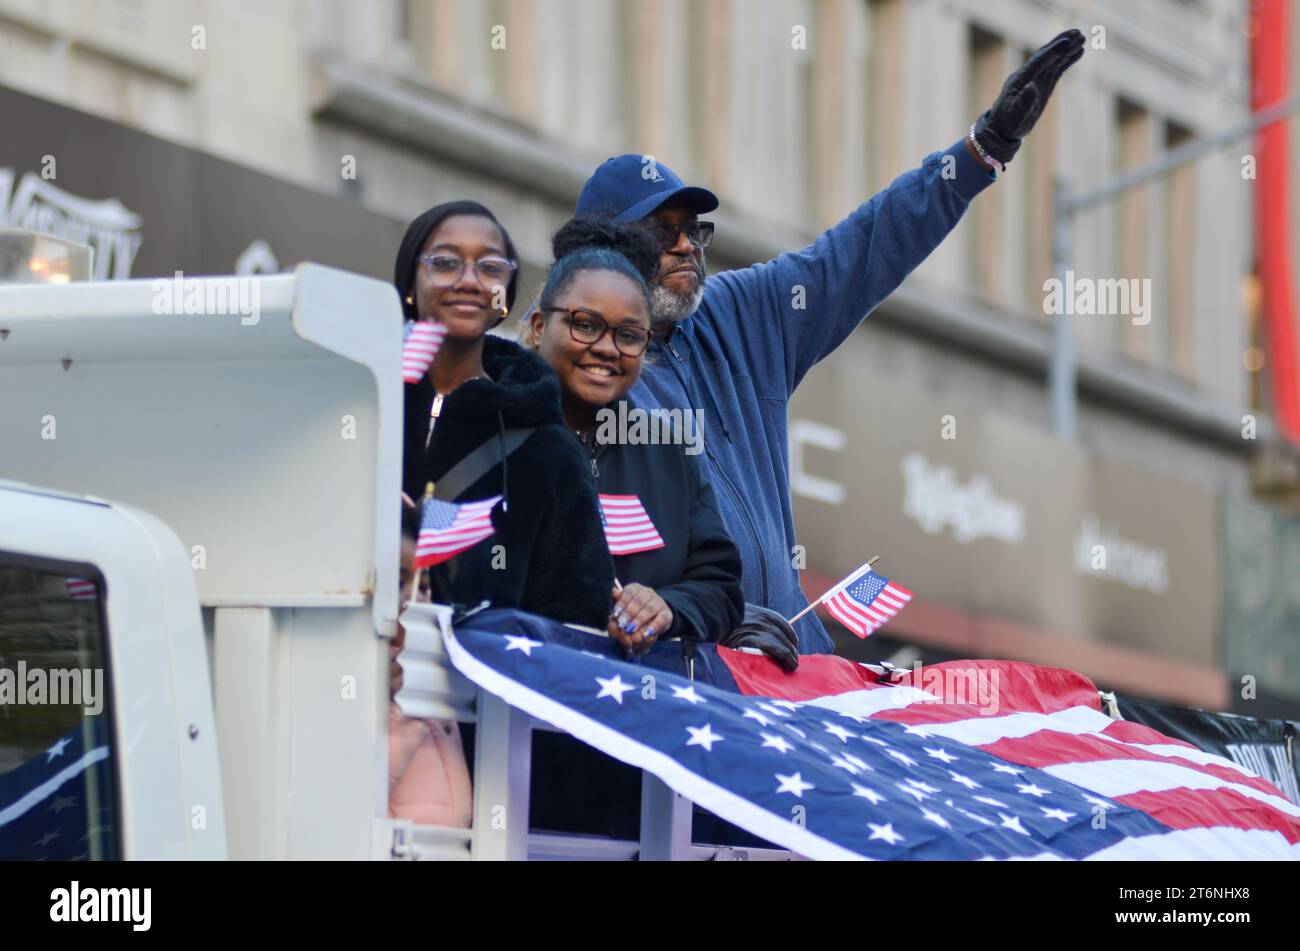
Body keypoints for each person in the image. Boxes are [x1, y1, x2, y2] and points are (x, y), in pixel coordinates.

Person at [573, 30, 1086, 654]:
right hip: (679, 680)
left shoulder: (738, 312)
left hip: (790, 677)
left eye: (693, 230)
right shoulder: (578, 371)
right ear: (604, 252)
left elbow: (863, 246)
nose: (687, 246)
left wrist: (980, 153)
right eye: (662, 231)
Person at [526, 216, 744, 656]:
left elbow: (719, 587)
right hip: (504, 706)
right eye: (585, 325)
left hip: (632, 712)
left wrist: (668, 607)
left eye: (628, 336)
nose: (607, 348)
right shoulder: (490, 428)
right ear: (537, 326)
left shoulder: (669, 451)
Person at [394, 200, 613, 629]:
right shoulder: (351, 404)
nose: (469, 280)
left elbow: (576, 619)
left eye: (491, 267)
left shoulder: (550, 449)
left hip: (475, 690)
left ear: (504, 297)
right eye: (445, 262)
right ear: (409, 282)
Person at [388, 501, 471, 827]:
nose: (415, 599)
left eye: (423, 587)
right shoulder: (354, 675)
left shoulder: (439, 671)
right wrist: (403, 709)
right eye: (397, 583)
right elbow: (348, 799)